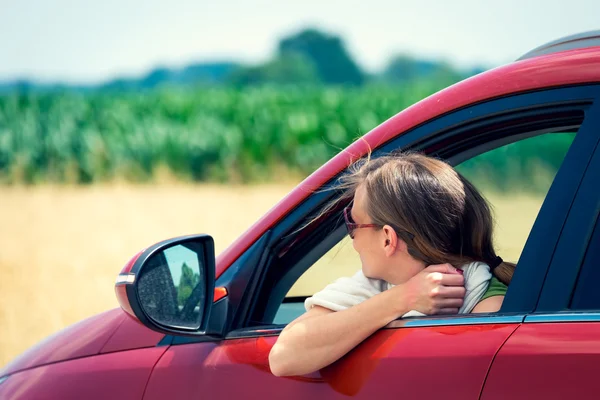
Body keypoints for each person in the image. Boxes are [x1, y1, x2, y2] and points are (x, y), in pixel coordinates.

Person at [269, 152, 512, 377]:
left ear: (388, 239)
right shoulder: (380, 284)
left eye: (353, 225)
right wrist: (404, 298)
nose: (352, 240)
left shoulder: (490, 310)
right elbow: (284, 356)